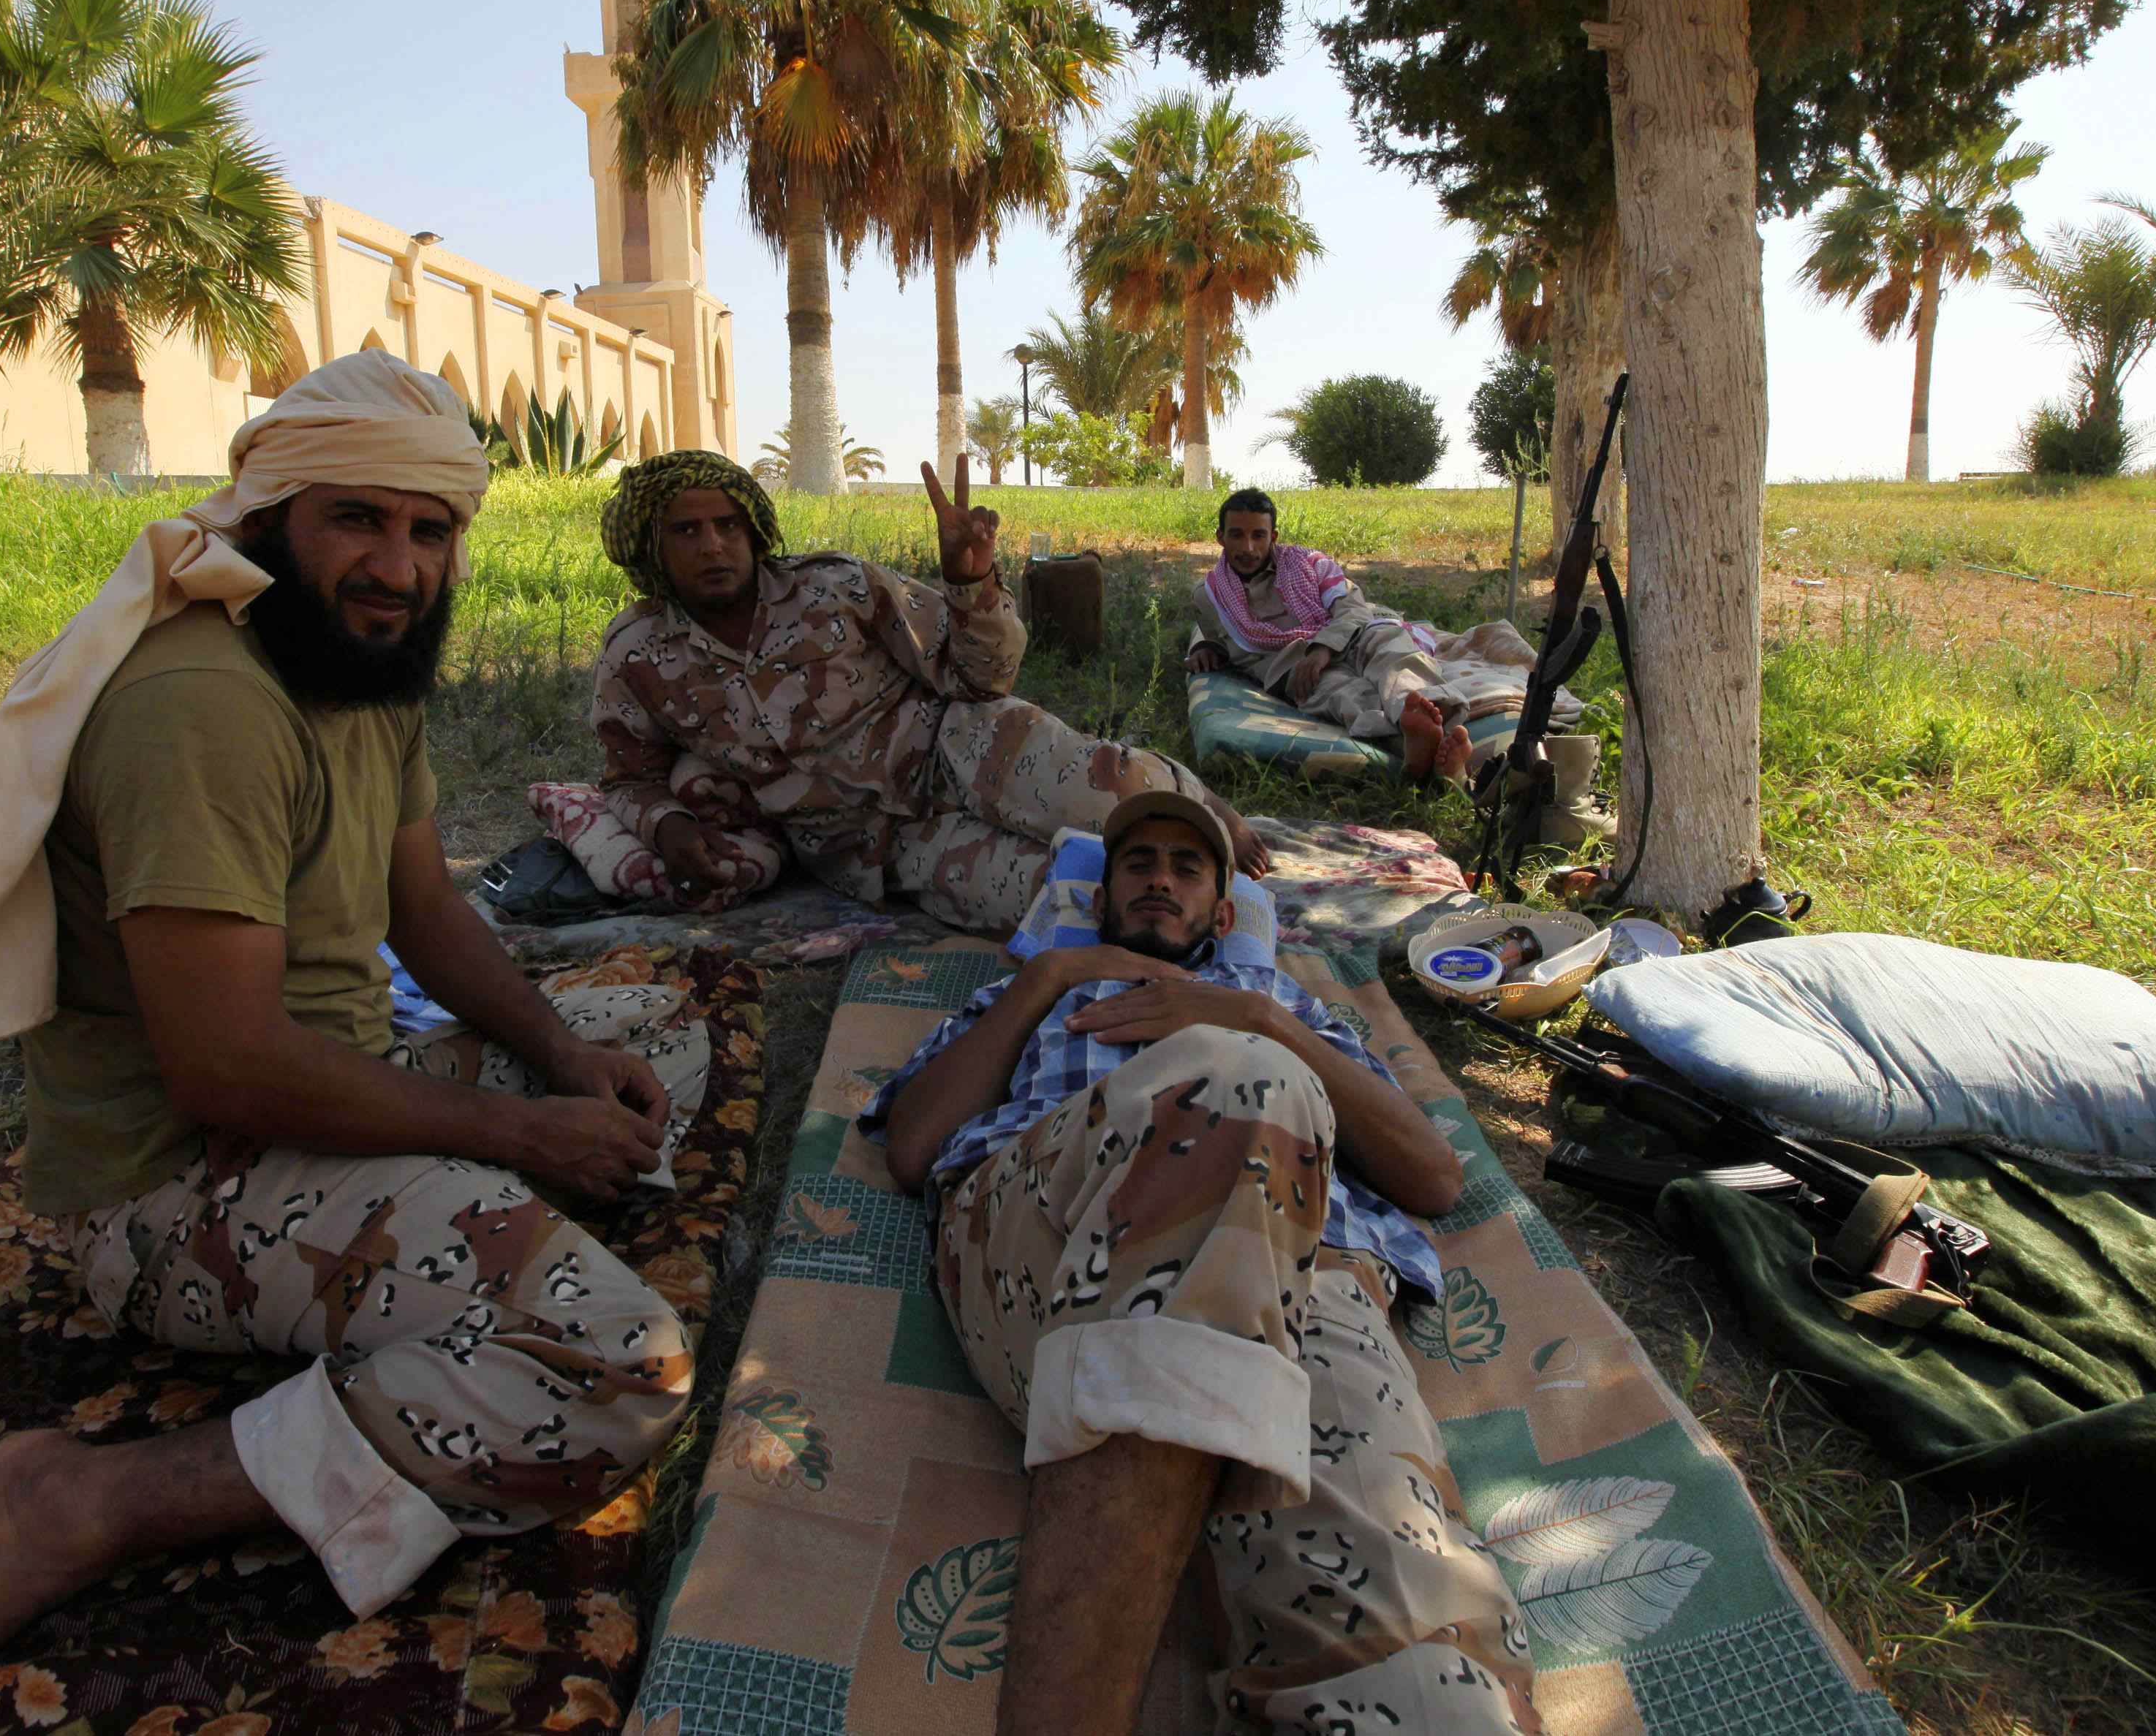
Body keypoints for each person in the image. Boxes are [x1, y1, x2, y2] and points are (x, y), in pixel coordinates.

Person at [0, 353, 696, 1736]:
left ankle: (440, 1229)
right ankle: (80, 1500)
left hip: (320, 1089)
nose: (398, 565)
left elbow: (425, 908)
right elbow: (222, 1067)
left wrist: (556, 1058)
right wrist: (514, 1129)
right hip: (176, 1180)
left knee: (649, 1023)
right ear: (268, 521)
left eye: (429, 531)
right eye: (357, 521)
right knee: (617, 1366)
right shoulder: (205, 705)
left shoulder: (360, 660)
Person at [868, 791, 1541, 1736]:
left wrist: (1258, 1015)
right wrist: (1047, 975)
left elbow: (1432, 1175)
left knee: (1434, 1687)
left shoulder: (1285, 1010)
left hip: (1309, 1270)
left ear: (1224, 914)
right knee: (1234, 1082)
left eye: (1187, 866)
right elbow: (914, 1148)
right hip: (1052, 1238)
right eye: (1137, 861)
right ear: (1101, 895)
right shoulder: (1039, 995)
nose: (1158, 876)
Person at [591, 450, 1272, 933]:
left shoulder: (836, 586)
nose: (713, 545)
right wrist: (670, 825)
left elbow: (982, 675)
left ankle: (1203, 803)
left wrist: (970, 581)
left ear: (752, 530)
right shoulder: (636, 652)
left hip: (959, 744)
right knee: (1070, 896)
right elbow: (628, 778)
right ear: (652, 546)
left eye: (727, 525)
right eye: (687, 530)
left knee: (1121, 798)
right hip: (870, 841)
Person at [1187, 490, 1597, 826]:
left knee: (1392, 652)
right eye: (1237, 536)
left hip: (1350, 633)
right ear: (1220, 537)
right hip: (1287, 662)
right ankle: (1418, 751)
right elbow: (1216, 636)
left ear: (1274, 536)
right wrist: (1204, 649)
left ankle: (1428, 714)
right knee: (1340, 694)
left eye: (1258, 535)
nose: (1248, 547)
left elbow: (1351, 607)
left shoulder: (1311, 565)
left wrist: (1324, 647)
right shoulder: (1209, 594)